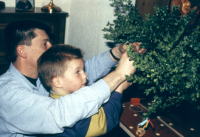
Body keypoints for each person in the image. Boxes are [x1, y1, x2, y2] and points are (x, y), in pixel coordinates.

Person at [0, 19, 146, 137]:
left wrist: (116, 53)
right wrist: (119, 75)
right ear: (22, 51)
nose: (51, 47)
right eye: (45, 43)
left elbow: (85, 71)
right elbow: (59, 113)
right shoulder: (6, 92)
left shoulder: (42, 74)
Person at [38, 44, 132, 137]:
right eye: (77, 71)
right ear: (57, 82)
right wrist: (119, 90)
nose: (85, 75)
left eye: (83, 70)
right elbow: (104, 122)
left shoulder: (52, 99)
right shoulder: (71, 113)